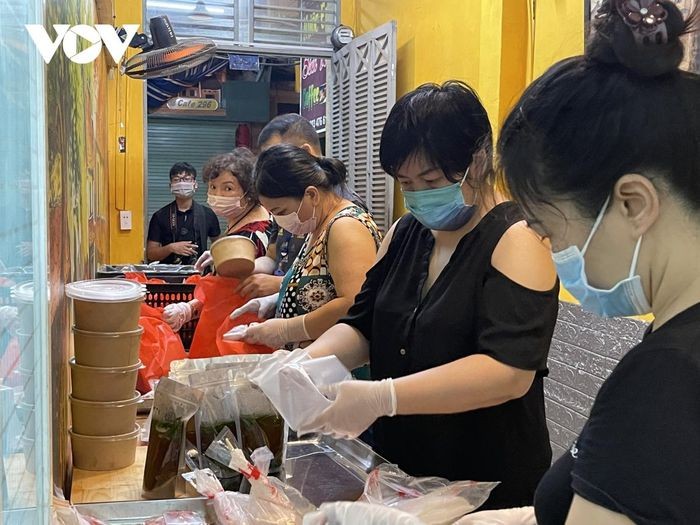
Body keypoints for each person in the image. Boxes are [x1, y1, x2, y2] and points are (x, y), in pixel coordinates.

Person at [291, 81, 560, 510]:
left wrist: (385, 396)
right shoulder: (404, 233)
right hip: (404, 471)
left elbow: (509, 371)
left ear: (478, 161)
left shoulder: (518, 239)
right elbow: (362, 325)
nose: (417, 194)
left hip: (486, 483)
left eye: (431, 179)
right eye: (405, 182)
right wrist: (305, 363)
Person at [495, 2, 700, 524]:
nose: (547, 249)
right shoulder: (674, 336)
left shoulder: (668, 380)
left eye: (548, 229)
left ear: (633, 203)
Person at [226, 144, 381, 351]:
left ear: (312, 195)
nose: (279, 220)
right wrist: (277, 298)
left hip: (336, 366)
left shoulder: (346, 226)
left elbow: (354, 303)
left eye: (281, 210)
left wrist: (287, 329)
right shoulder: (317, 225)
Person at [234, 113, 369, 300]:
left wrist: (282, 288)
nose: (270, 170)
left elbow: (350, 296)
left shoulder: (343, 216)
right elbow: (275, 257)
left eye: (279, 159)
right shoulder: (285, 200)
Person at [162, 148, 272, 332]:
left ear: (250, 192)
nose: (217, 194)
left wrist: (191, 307)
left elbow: (231, 288)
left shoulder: (253, 234)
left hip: (237, 326)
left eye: (228, 188)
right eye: (213, 187)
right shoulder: (239, 220)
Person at [146, 162, 220, 265]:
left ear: (195, 184)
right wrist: (171, 248)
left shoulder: (207, 214)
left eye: (187, 179)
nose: (182, 183)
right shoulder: (160, 216)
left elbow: (220, 247)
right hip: (168, 276)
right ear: (170, 186)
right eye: (177, 180)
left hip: (200, 273)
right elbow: (150, 254)